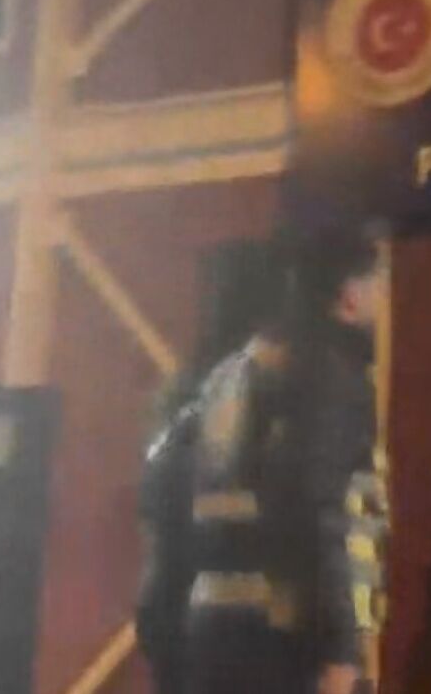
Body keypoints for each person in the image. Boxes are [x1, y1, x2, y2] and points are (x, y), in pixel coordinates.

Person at [181, 225, 390, 694]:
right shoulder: (331, 377)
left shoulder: (232, 373)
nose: (383, 297)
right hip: (293, 639)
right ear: (348, 294)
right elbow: (322, 513)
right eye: (378, 281)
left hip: (217, 628)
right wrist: (340, 648)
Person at [137, 239, 292, 694]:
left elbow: (157, 507)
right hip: (253, 638)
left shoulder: (182, 401)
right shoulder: (267, 398)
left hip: (176, 616)